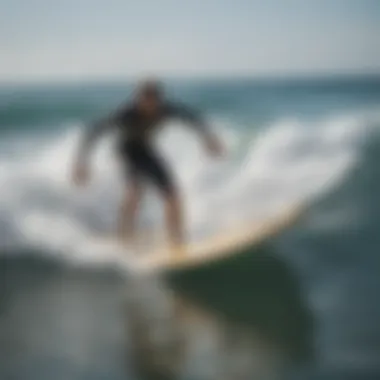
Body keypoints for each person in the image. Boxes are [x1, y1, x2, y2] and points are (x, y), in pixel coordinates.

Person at [72, 79, 224, 253]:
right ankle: (124, 236)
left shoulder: (166, 109)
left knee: (172, 194)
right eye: (143, 100)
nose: (148, 105)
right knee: (135, 193)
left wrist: (209, 139)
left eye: (152, 100)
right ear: (138, 99)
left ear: (158, 99)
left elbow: (192, 118)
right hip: (126, 152)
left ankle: (177, 239)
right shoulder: (126, 114)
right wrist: (81, 162)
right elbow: (94, 131)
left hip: (146, 149)